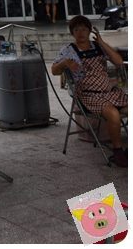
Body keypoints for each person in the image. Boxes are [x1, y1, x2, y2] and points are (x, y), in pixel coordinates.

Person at [51, 15, 127, 167]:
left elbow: (118, 62)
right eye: (76, 29)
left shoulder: (98, 47)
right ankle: (118, 152)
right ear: (72, 32)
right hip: (89, 95)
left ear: (90, 31)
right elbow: (54, 70)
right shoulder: (68, 51)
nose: (81, 32)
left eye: (84, 29)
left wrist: (102, 42)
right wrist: (65, 63)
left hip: (110, 92)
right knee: (113, 113)